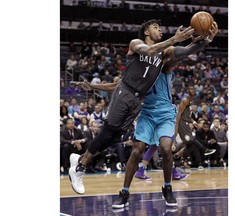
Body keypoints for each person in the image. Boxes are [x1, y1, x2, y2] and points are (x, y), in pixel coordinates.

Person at [70, 19, 217, 208]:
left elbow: (188, 49)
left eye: (161, 27)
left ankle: (166, 187)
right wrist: (175, 38)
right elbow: (125, 76)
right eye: (156, 27)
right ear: (146, 31)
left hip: (145, 104)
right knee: (119, 136)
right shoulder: (136, 44)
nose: (160, 30)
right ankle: (86, 169)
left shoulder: (165, 56)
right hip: (136, 102)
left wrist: (206, 39)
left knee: (117, 137)